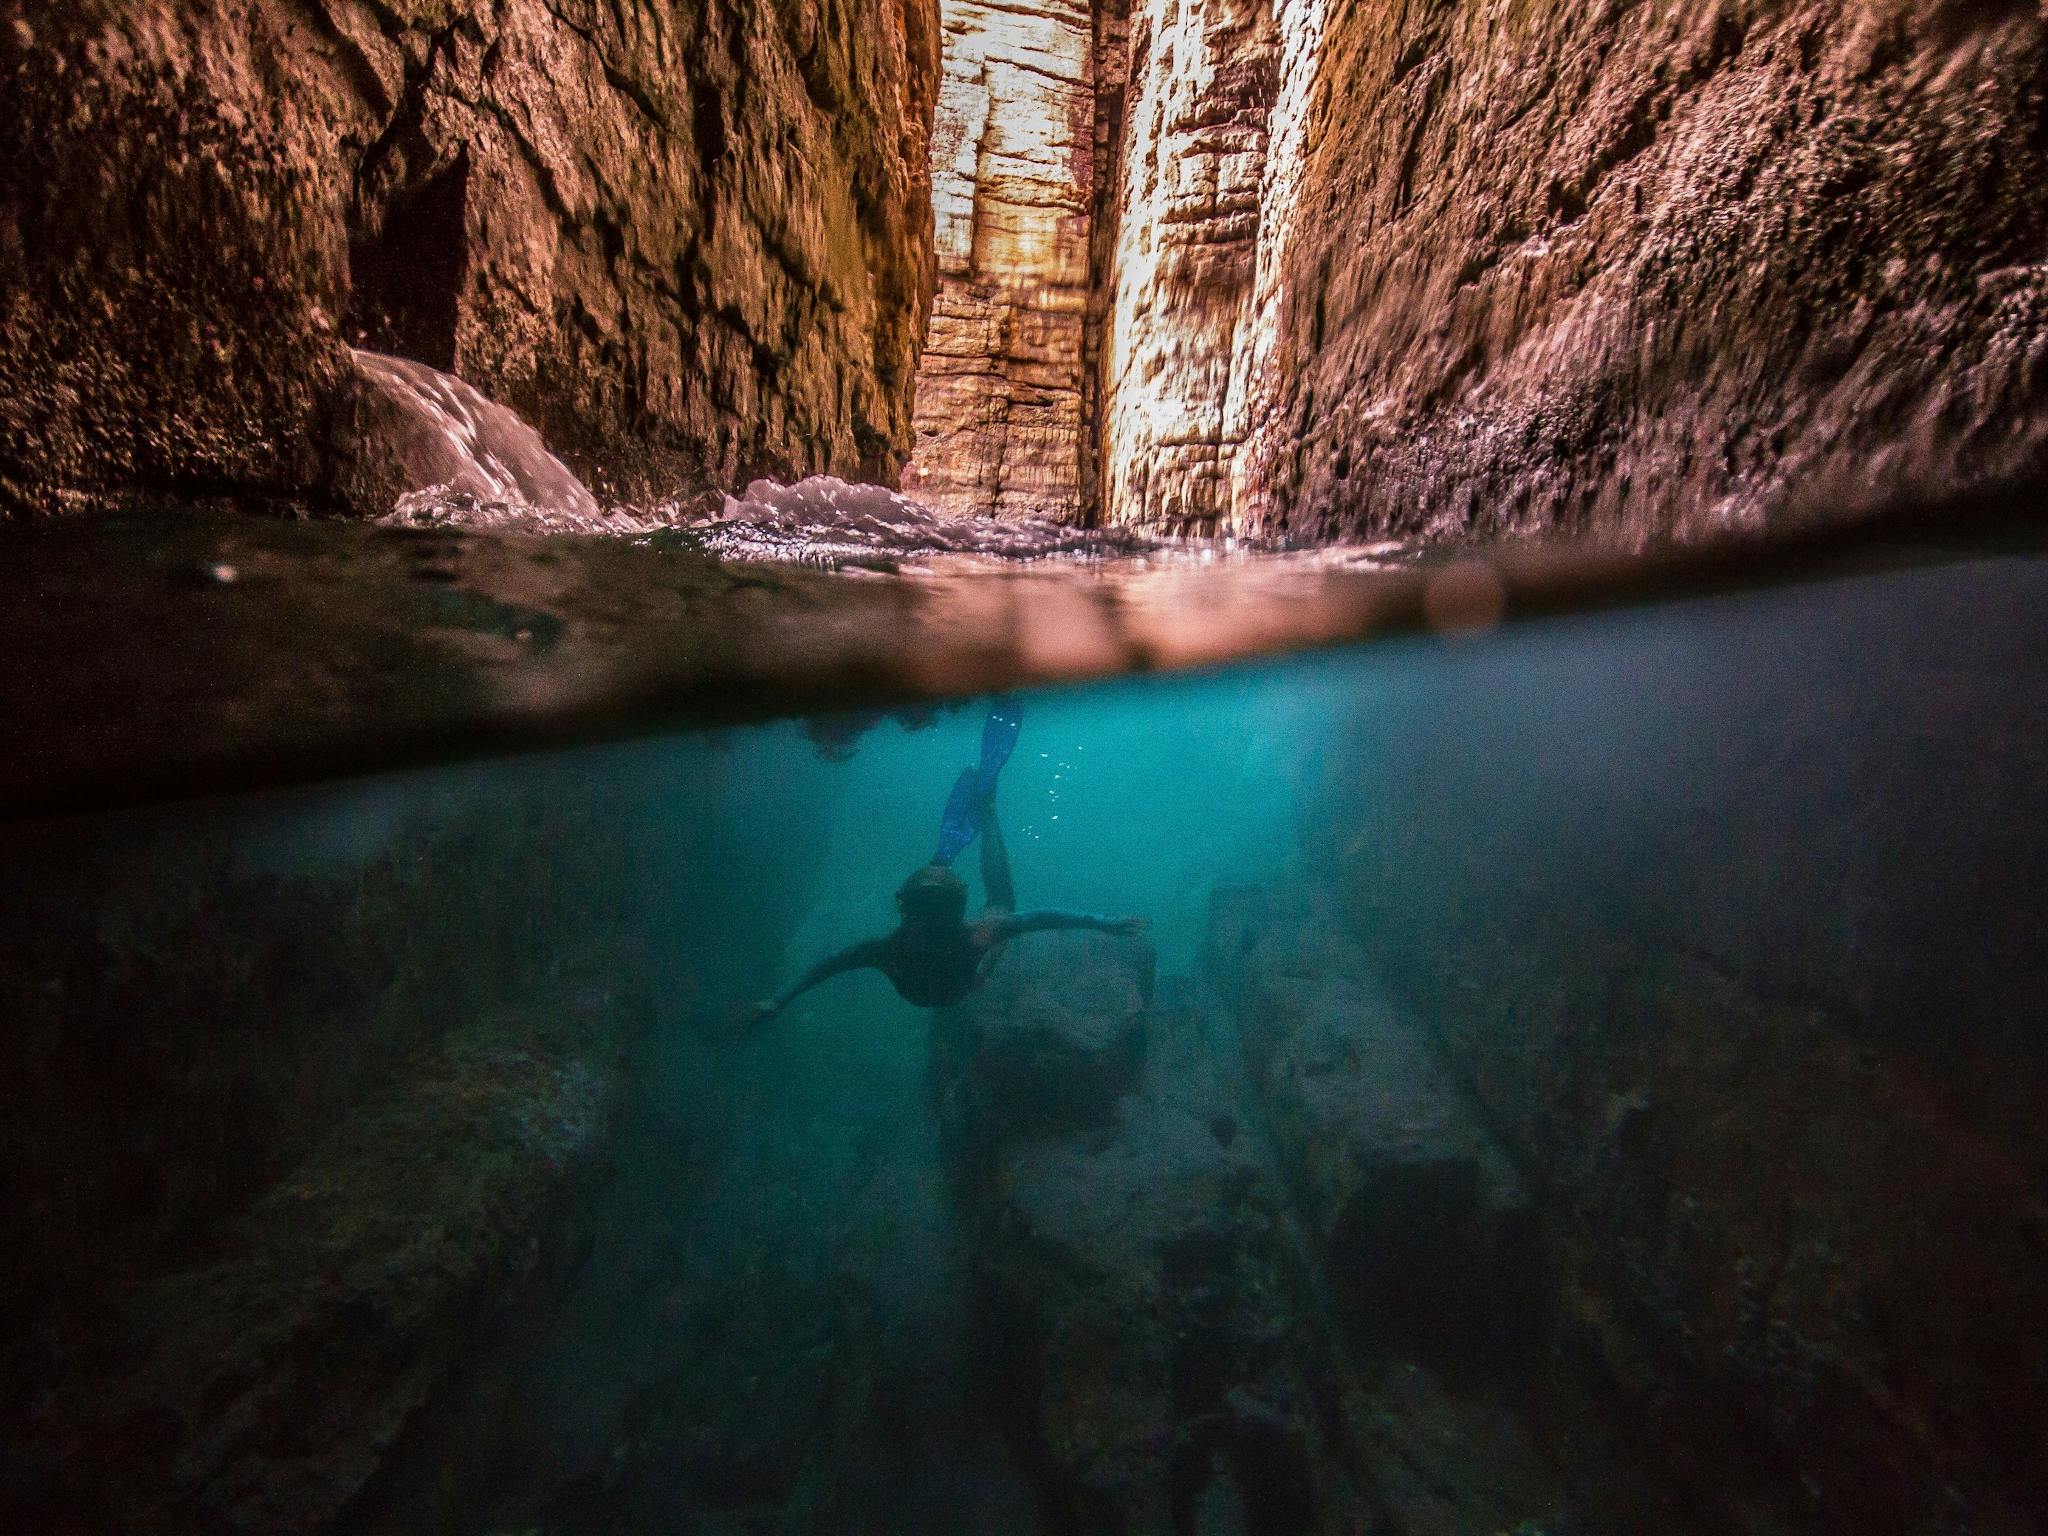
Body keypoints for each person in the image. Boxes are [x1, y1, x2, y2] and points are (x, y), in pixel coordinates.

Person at [747, 698, 1147, 1025]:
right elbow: (1046, 917)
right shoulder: (977, 936)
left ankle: (949, 854)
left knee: (982, 901)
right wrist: (1105, 924)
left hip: (921, 985)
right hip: (963, 984)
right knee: (1002, 901)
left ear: (902, 907)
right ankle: (983, 818)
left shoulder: (890, 948)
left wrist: (779, 1001)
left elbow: (827, 967)